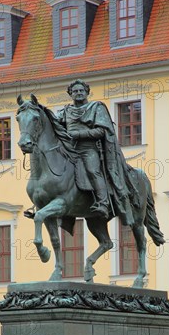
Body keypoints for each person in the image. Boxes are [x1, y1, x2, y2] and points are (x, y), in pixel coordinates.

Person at [56, 79, 135, 226]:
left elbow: (102, 131)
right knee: (54, 171)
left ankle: (103, 203)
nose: (78, 93)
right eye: (75, 91)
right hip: (69, 150)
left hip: (88, 148)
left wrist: (78, 134)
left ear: (87, 92)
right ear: (70, 94)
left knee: (93, 171)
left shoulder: (96, 107)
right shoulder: (65, 111)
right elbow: (54, 126)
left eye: (81, 91)